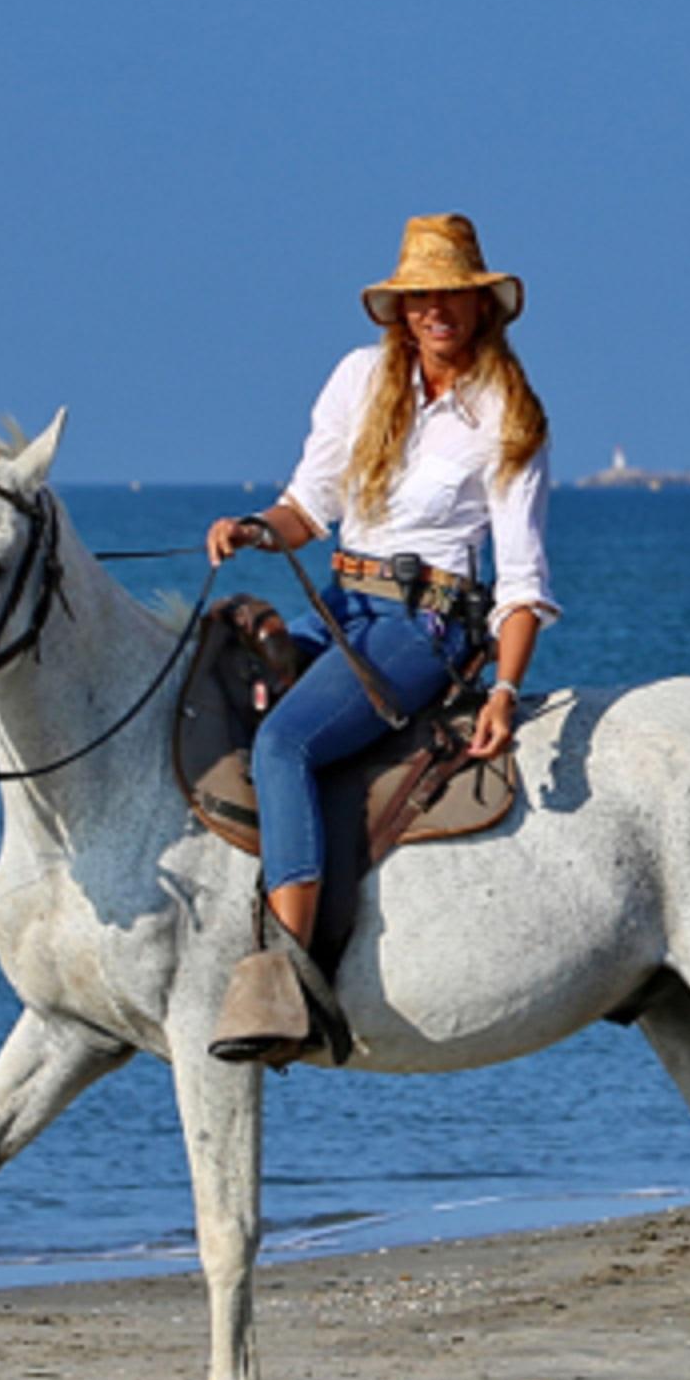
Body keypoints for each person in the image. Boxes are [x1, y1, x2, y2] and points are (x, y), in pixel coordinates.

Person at [201, 214, 556, 1063]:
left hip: (424, 627)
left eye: (451, 296)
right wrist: (254, 528)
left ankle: (286, 977)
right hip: (340, 604)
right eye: (419, 296)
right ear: (401, 309)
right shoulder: (359, 378)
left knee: (286, 742)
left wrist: (503, 692)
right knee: (220, 686)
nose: (435, 311)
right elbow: (307, 509)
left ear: (482, 308)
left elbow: (523, 580)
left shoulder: (507, 412)